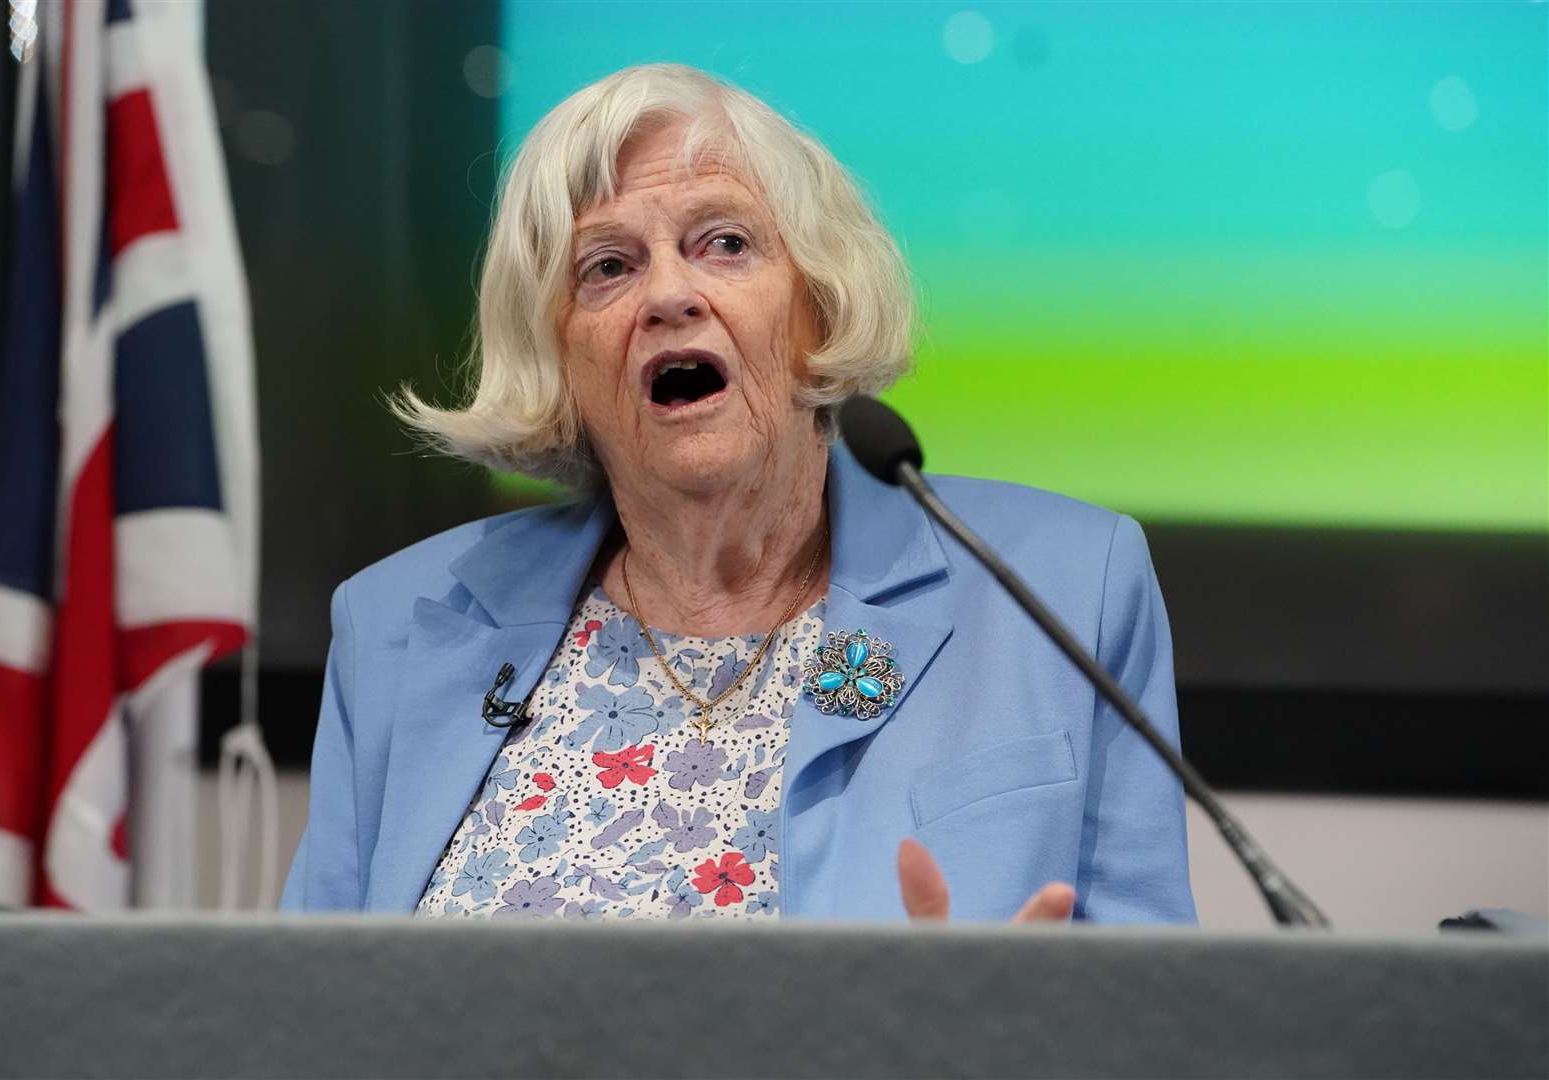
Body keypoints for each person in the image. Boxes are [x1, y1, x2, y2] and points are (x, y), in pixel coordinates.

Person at [280, 63, 1196, 924]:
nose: (669, 294)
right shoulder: (401, 623)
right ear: (556, 355)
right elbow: (310, 1019)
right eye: (607, 266)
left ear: (818, 305)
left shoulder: (1067, 589)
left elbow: (1156, 1014)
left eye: (725, 243)